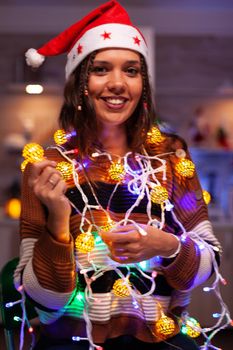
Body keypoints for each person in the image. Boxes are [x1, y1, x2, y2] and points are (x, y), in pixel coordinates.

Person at [14, 1, 224, 349]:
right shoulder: (48, 165)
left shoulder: (170, 157)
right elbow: (45, 299)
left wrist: (168, 246)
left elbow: (211, 265)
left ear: (143, 82)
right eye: (100, 69)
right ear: (80, 83)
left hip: (161, 340)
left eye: (131, 70)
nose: (117, 84)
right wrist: (58, 220)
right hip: (71, 341)